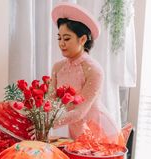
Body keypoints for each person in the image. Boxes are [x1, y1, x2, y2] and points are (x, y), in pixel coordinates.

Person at [51, 2, 124, 145]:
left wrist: (48, 123)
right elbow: (50, 101)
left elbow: (80, 112)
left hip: (99, 132)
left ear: (83, 39)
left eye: (66, 38)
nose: (61, 43)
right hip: (75, 131)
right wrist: (37, 118)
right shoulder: (57, 68)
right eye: (59, 38)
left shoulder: (94, 70)